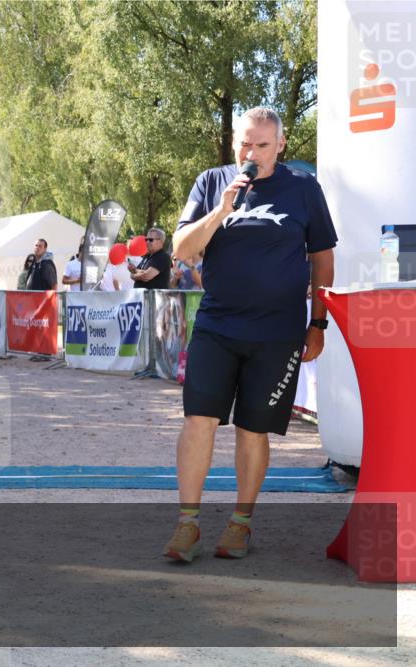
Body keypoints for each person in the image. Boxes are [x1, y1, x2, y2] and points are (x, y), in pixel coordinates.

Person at [161, 107, 336, 563]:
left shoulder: (303, 189)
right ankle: (188, 524)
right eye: (244, 143)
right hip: (218, 325)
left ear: (280, 145)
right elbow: (182, 250)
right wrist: (221, 210)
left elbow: (322, 260)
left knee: (252, 429)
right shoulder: (211, 181)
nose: (251, 153)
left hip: (277, 333)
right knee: (198, 419)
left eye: (261, 145)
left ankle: (240, 525)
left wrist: (317, 323)